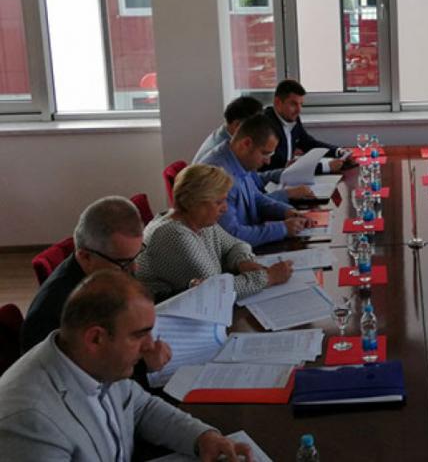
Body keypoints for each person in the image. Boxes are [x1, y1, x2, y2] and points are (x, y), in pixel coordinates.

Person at [0, 271, 252, 461]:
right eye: (139, 335)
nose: (150, 346)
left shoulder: (95, 362)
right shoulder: (30, 420)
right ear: (96, 338)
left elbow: (142, 408)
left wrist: (202, 438)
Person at [20, 197, 171, 377]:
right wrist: (144, 365)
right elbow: (79, 380)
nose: (134, 268)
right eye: (124, 262)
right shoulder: (52, 314)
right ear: (85, 256)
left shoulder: (110, 271)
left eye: (137, 255)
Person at [136, 164, 293, 301]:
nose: (225, 208)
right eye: (218, 202)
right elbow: (215, 289)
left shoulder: (199, 220)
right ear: (194, 202)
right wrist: (268, 277)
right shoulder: (172, 234)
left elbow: (235, 244)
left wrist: (243, 261)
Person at [201, 114, 312, 247]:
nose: (268, 161)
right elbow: (230, 236)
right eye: (265, 153)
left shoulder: (239, 159)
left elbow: (256, 198)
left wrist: (287, 212)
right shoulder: (217, 174)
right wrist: (282, 229)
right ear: (246, 144)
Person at [193, 97, 314, 202]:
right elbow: (249, 204)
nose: (262, 130)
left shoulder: (231, 140)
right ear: (238, 125)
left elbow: (253, 180)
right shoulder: (221, 162)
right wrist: (287, 194)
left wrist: (284, 173)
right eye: (256, 125)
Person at [262, 79, 348, 173]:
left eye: (301, 104)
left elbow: (308, 143)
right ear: (278, 102)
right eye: (293, 104)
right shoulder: (265, 125)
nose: (299, 110)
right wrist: (326, 166)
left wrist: (338, 151)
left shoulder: (292, 118)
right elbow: (278, 166)